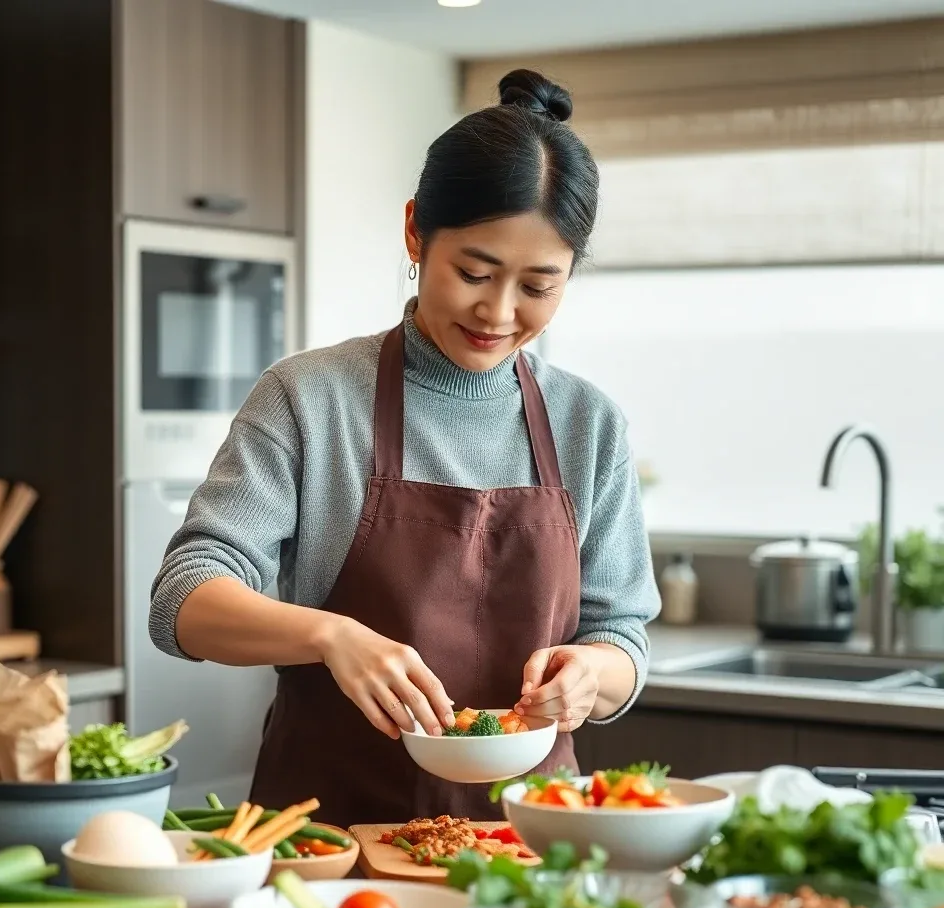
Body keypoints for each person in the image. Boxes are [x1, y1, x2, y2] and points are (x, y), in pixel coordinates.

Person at [149, 68, 661, 828]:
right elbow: (183, 599)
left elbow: (621, 637)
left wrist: (592, 675)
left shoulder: (590, 424)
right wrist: (329, 636)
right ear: (416, 230)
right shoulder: (309, 398)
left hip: (528, 840)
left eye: (539, 286)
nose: (498, 311)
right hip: (331, 838)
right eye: (474, 273)